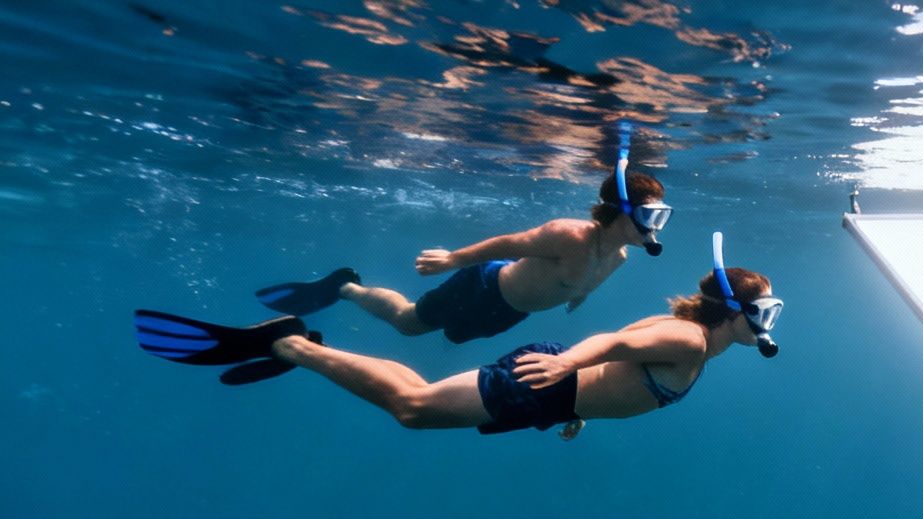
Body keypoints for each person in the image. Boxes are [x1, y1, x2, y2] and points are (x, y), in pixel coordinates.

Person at [134, 237, 782, 440]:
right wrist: (569, 377)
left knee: (417, 405)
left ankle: (297, 344)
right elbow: (609, 345)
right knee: (413, 408)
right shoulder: (691, 341)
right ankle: (291, 345)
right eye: (765, 312)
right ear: (735, 312)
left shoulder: (691, 337)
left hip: (555, 391)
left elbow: (619, 353)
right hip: (545, 382)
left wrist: (578, 403)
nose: (768, 324)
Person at [250, 157, 673, 345]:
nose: (656, 228)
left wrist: (576, 297)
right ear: (621, 212)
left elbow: (586, 284)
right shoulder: (571, 235)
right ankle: (346, 288)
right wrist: (452, 259)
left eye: (662, 217)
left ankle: (351, 292)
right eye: (652, 217)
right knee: (410, 323)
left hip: (511, 311)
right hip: (485, 287)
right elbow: (509, 244)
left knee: (453, 336)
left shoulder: (617, 256)